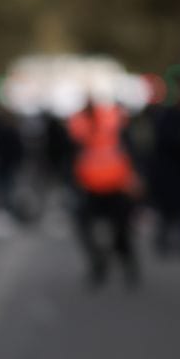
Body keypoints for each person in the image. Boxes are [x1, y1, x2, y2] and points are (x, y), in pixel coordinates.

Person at [66, 97, 140, 286]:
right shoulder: (79, 126)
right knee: (85, 228)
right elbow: (72, 156)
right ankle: (100, 263)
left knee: (121, 232)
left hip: (116, 187)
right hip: (90, 188)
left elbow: (131, 151)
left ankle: (127, 266)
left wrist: (134, 179)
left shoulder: (113, 123)